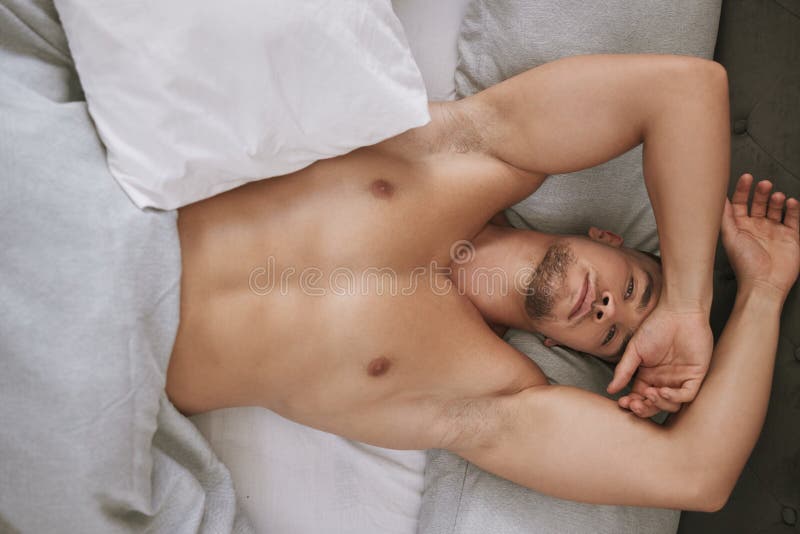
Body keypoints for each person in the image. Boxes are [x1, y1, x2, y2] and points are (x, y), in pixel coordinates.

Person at [166, 54, 800, 509]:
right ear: (603, 237)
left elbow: (695, 477)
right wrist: (687, 306)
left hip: (118, 368)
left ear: (565, 349)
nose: (610, 308)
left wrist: (764, 292)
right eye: (635, 289)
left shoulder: (484, 402)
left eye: (613, 338)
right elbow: (686, 90)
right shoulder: (469, 156)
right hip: (112, 222)